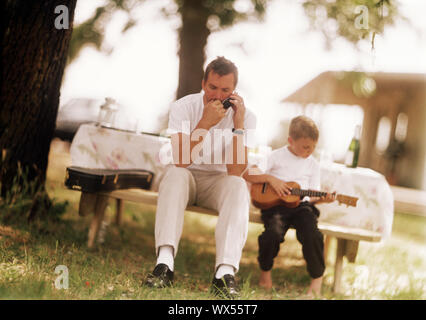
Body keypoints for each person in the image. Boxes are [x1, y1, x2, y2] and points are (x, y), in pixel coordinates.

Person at [144, 56, 257, 298]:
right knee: (175, 173)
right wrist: (205, 123)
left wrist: (238, 125)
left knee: (238, 185)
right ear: (203, 83)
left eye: (225, 90)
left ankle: (224, 274)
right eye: (212, 87)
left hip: (217, 184)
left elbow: (236, 171)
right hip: (187, 177)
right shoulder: (184, 107)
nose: (217, 96)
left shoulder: (246, 116)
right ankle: (164, 265)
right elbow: (182, 159)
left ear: (234, 90)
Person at [243, 115, 334, 297]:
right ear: (290, 141)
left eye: (314, 147)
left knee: (312, 234)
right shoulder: (275, 157)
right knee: (272, 233)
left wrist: (324, 198)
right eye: (305, 147)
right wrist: (271, 179)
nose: (310, 151)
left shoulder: (313, 165)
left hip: (302, 208)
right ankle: (265, 273)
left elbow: (312, 194)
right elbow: (249, 172)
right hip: (275, 207)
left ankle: (316, 281)